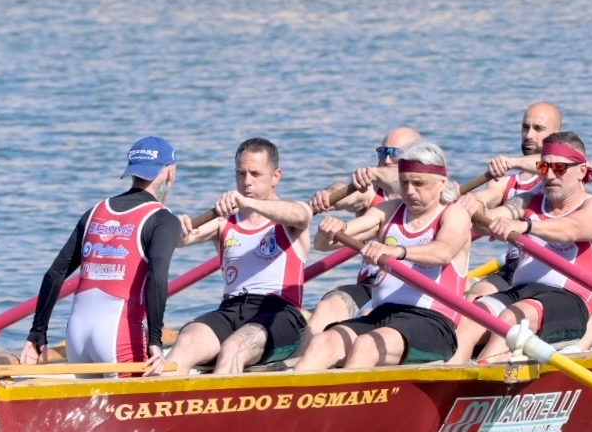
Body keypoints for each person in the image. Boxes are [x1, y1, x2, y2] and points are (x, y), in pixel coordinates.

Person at [295, 142, 471, 370]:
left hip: (432, 322)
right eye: (404, 183)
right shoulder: (388, 210)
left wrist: (397, 252)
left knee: (366, 345)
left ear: (441, 184)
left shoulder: (454, 214)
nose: (409, 191)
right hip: (382, 314)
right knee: (322, 342)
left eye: (419, 184)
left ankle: (349, 404)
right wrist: (330, 229)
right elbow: (323, 245)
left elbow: (444, 252)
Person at [21, 136, 182, 372]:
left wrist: (37, 332)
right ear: (170, 173)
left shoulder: (95, 212)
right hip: (119, 335)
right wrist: (155, 342)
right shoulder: (163, 219)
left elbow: (55, 273)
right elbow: (157, 280)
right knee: (129, 409)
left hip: (77, 335)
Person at [453, 132, 592, 362]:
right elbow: (490, 221)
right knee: (469, 317)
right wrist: (472, 206)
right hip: (522, 292)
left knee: (513, 318)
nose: (549, 175)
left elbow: (572, 229)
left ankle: (474, 383)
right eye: (543, 166)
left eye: (559, 168)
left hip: (569, 303)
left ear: (581, 170)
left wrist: (525, 226)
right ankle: (443, 385)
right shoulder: (529, 201)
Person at [164, 137, 312, 375]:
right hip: (231, 308)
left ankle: (220, 410)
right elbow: (183, 240)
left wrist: (248, 203)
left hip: (280, 313)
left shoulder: (291, 216)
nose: (247, 182)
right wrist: (178, 226)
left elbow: (302, 216)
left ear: (276, 176)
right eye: (240, 174)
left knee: (234, 347)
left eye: (255, 174)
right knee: (186, 341)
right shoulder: (223, 221)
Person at [293, 127, 421, 354]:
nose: (386, 159)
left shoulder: (435, 192)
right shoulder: (372, 192)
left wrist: (374, 171)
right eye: (382, 153)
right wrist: (328, 195)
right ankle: (297, 372)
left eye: (394, 153)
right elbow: (345, 191)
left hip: (416, 288)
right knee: (327, 306)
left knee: (367, 319)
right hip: (371, 285)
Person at [466, 101, 563, 299]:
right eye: (525, 127)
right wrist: (470, 201)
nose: (529, 135)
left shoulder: (562, 174)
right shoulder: (505, 182)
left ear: (556, 134)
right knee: (473, 297)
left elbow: (550, 164)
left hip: (551, 266)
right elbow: (486, 198)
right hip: (514, 264)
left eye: (538, 129)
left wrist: (512, 162)